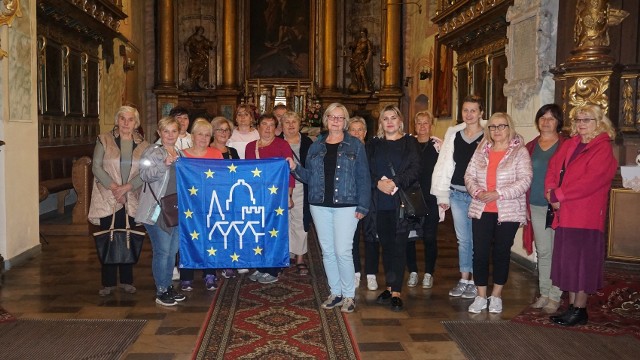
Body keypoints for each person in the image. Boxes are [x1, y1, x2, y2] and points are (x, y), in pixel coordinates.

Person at [289, 103, 371, 313]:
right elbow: (309, 176)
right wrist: (294, 168)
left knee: (343, 250)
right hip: (319, 204)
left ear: (345, 121)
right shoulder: (316, 145)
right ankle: (335, 292)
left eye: (340, 117)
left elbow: (363, 177)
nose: (336, 120)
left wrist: (363, 204)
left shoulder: (355, 145)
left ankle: (349, 295)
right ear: (326, 119)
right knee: (327, 252)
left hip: (347, 204)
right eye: (332, 117)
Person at [546, 104, 616, 326]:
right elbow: (553, 168)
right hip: (566, 213)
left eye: (587, 119)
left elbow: (590, 182)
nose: (581, 124)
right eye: (578, 119)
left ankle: (580, 308)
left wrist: (559, 195)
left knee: (582, 263)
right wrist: (550, 192)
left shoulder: (602, 148)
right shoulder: (570, 144)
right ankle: (572, 307)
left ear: (599, 122)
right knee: (570, 263)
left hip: (586, 216)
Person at [464, 113, 532, 313]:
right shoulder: (481, 151)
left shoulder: (519, 152)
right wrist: (478, 192)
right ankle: (480, 295)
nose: (497, 130)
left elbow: (525, 180)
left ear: (509, 127)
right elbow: (469, 175)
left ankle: (496, 296)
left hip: (507, 211)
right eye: (492, 127)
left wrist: (498, 193)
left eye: (501, 126)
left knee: (501, 253)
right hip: (482, 208)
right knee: (480, 253)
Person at [88, 106, 149, 296]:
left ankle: (126, 280)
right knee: (109, 237)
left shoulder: (144, 145)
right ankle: (107, 282)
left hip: (131, 196)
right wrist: (115, 188)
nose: (126, 123)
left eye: (130, 119)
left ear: (136, 123)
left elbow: (146, 172)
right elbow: (96, 167)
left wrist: (127, 188)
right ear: (117, 120)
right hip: (109, 196)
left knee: (128, 237)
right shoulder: (104, 139)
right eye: (122, 118)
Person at [366, 105, 420, 312]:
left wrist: (395, 181)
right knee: (386, 245)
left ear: (400, 121)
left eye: (393, 118)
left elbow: (415, 168)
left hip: (401, 200)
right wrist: (378, 183)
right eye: (385, 118)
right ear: (381, 123)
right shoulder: (373, 144)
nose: (389, 122)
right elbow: (365, 170)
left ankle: (396, 291)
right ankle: (389, 286)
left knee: (399, 245)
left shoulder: (410, 142)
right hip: (380, 202)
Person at [431, 95, 486, 299]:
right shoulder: (454, 134)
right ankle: (464, 278)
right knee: (463, 240)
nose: (469, 114)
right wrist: (442, 194)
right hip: (457, 193)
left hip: (478, 196)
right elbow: (445, 165)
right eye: (465, 110)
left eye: (473, 110)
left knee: (478, 239)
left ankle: (476, 281)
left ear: (481, 112)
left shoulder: (488, 136)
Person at [136, 116, 187, 307]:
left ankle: (168, 287)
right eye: (166, 131)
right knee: (162, 251)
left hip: (176, 209)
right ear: (159, 132)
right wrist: (163, 165)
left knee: (172, 251)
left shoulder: (181, 153)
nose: (170, 135)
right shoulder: (152, 152)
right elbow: (144, 175)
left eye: (174, 131)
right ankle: (161, 290)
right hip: (157, 210)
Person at [525, 104, 566, 314]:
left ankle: (555, 296)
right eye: (543, 117)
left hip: (560, 208)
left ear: (558, 122)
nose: (546, 121)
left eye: (551, 118)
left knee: (558, 250)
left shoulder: (566, 145)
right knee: (544, 251)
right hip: (537, 205)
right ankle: (544, 293)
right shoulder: (531, 146)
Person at [245, 114, 295, 284]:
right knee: (258, 232)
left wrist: (288, 195)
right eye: (264, 124)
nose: (267, 128)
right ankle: (260, 266)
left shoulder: (282, 145)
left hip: (276, 197)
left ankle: (273, 269)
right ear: (258, 127)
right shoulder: (250, 147)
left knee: (274, 232)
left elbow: (289, 173)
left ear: (276, 128)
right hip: (256, 197)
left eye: (271, 125)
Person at [179, 119, 223, 291]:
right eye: (200, 134)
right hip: (188, 206)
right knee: (187, 238)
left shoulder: (216, 154)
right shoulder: (181, 155)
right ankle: (186, 275)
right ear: (193, 136)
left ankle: (210, 274)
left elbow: (222, 180)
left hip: (211, 203)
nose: (203, 138)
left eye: (207, 135)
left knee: (210, 238)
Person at [406, 111, 441, 289]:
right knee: (409, 237)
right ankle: (413, 271)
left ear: (430, 125)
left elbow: (444, 173)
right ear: (414, 125)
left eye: (425, 123)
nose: (422, 126)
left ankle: (428, 273)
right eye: (418, 123)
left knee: (429, 237)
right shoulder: (408, 145)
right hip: (411, 197)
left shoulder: (438, 147)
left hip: (431, 197)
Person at [281, 111, 313, 275]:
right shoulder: (277, 141)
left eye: (294, 122)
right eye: (287, 122)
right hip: (280, 189)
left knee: (300, 221)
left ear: (299, 124)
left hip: (302, 186)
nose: (291, 125)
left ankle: (300, 257)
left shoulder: (308, 142)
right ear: (282, 125)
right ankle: (285, 254)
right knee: (283, 221)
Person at [347, 116, 376, 289]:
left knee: (372, 237)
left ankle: (371, 274)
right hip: (351, 200)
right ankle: (356, 272)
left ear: (365, 132)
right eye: (353, 130)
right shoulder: (346, 150)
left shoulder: (372, 150)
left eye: (360, 130)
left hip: (372, 199)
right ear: (348, 132)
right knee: (353, 238)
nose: (357, 133)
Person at [348, 28, 373, 94]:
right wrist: (350, 45)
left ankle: (366, 88)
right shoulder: (357, 41)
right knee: (358, 74)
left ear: (366, 33)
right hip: (355, 58)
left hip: (362, 59)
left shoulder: (368, 41)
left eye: (363, 33)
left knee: (363, 73)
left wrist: (368, 59)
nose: (362, 34)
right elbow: (353, 47)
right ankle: (359, 88)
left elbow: (370, 51)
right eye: (361, 33)